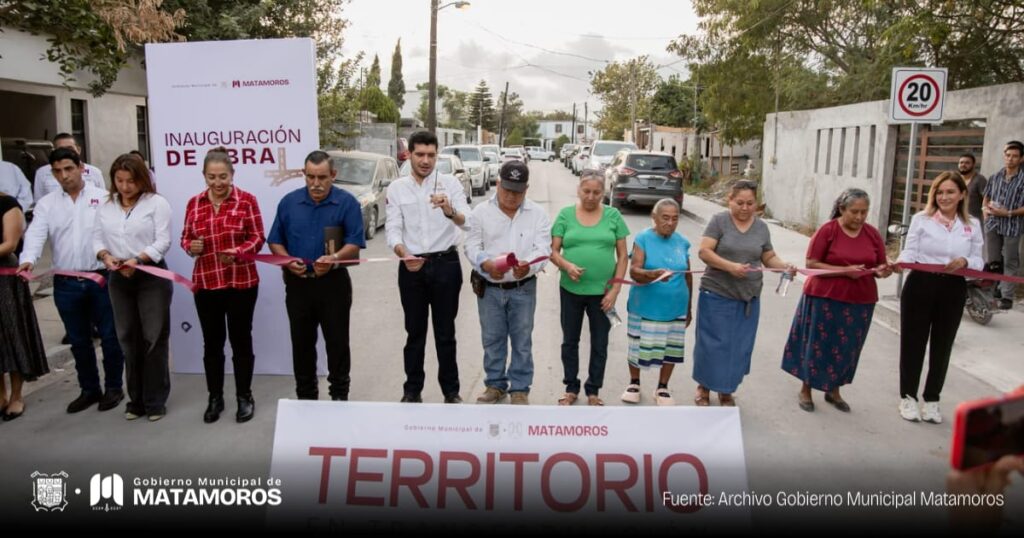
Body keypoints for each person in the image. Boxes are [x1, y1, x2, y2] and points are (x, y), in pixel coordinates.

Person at [18, 147, 125, 414]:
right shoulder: (47, 204)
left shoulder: (103, 199)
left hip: (101, 279)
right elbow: (36, 234)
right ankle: (89, 389)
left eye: (68, 169)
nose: (63, 176)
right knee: (78, 340)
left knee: (111, 338)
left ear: (81, 168)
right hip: (66, 283)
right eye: (57, 171)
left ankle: (113, 387)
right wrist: (28, 259)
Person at [781, 188, 892, 412]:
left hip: (860, 300)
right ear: (842, 209)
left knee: (848, 346)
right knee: (817, 344)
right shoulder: (828, 230)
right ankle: (806, 388)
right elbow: (812, 263)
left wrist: (884, 270)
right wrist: (845, 270)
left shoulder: (871, 234)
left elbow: (880, 264)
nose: (859, 217)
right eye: (854, 212)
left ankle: (834, 389)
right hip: (824, 297)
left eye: (864, 212)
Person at [268, 150, 365, 401]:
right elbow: (275, 241)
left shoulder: (347, 203)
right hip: (298, 285)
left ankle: (339, 397)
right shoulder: (289, 203)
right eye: (310, 177)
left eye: (322, 177)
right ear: (304, 174)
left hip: (334, 285)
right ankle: (306, 398)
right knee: (301, 345)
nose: (316, 184)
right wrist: (288, 261)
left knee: (337, 344)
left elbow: (354, 243)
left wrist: (333, 259)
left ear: (333, 175)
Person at [180, 147, 265, 423]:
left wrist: (240, 251)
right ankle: (214, 398)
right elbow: (185, 238)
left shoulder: (247, 201)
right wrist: (190, 246)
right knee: (212, 344)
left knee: (241, 341)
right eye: (211, 177)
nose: (217, 183)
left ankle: (244, 397)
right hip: (206, 283)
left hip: (241, 282)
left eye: (223, 177)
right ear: (204, 176)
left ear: (232, 175)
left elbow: (258, 237)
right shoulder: (194, 203)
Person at [385, 131, 470, 404]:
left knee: (446, 333)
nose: (425, 160)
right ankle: (412, 391)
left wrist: (448, 210)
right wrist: (404, 253)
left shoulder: (451, 185)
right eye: (419, 154)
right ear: (408, 154)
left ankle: (451, 391)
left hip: (446, 264)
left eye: (431, 155)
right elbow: (393, 229)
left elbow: (466, 221)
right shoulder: (397, 188)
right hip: (412, 267)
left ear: (437, 155)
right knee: (415, 333)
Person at [693, 180, 793, 407]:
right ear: (730, 200)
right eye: (740, 203)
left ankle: (726, 390)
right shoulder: (719, 222)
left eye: (750, 203)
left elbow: (768, 256)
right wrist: (730, 266)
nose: (745, 208)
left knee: (738, 347)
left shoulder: (761, 227)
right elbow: (704, 252)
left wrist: (783, 266)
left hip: (747, 297)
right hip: (717, 293)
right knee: (712, 344)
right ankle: (704, 387)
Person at [895, 173, 984, 423]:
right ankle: (908, 397)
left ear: (962, 195)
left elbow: (979, 260)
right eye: (939, 192)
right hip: (920, 286)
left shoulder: (973, 225)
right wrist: (900, 263)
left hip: (953, 289)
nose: (944, 197)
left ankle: (932, 400)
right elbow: (910, 250)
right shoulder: (921, 220)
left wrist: (966, 261)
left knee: (942, 347)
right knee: (913, 344)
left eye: (950, 192)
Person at [93, 153, 173, 421]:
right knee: (128, 339)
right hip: (119, 278)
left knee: (153, 338)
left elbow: (163, 241)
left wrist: (137, 259)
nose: (125, 187)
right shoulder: (106, 206)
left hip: (150, 275)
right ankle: (135, 400)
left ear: (142, 180)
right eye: (120, 180)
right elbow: (96, 238)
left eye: (131, 181)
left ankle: (155, 400)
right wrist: (106, 256)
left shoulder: (156, 203)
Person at [464, 161, 551, 405]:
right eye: (507, 190)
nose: (512, 196)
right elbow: (471, 245)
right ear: (498, 184)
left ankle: (520, 388)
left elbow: (543, 248)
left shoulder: (538, 214)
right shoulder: (480, 213)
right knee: (492, 338)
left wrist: (529, 265)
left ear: (526, 189)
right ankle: (495, 385)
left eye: (518, 192)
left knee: (522, 340)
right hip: (490, 288)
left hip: (523, 288)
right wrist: (485, 264)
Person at [549, 170, 628, 406]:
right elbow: (552, 251)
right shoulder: (565, 215)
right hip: (571, 291)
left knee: (600, 342)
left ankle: (593, 390)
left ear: (603, 193)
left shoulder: (613, 216)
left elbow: (623, 257)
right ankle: (571, 387)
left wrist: (615, 290)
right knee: (569, 341)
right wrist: (566, 265)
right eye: (587, 191)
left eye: (596, 192)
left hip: (603, 294)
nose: (591, 197)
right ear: (578, 190)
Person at [620, 199, 692, 406]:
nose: (670, 222)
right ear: (655, 217)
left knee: (671, 348)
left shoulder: (682, 242)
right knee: (637, 345)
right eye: (665, 217)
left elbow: (688, 275)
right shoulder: (643, 238)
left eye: (675, 218)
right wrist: (652, 274)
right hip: (645, 306)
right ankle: (634, 382)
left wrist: (689, 308)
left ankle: (662, 386)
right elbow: (634, 270)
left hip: (675, 306)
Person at [0, 193, 48, 421]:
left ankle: (16, 395)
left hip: (5, 282)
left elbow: (10, 244)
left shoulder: (7, 204)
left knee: (13, 335)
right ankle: (1, 395)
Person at [981, 141, 1024, 309]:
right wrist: (985, 212)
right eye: (1008, 155)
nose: (1010, 159)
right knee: (993, 260)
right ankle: (995, 289)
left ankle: (1007, 297)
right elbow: (986, 196)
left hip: (1012, 225)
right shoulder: (995, 176)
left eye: (1014, 156)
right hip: (992, 224)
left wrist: (1008, 213)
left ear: (1021, 159)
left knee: (1010, 261)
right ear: (1004, 156)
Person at [34, 133, 105, 201]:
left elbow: (103, 200)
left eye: (70, 149)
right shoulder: (42, 172)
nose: (64, 176)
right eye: (61, 149)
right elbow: (39, 201)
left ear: (79, 150)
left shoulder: (95, 172)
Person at [959, 153, 987, 223]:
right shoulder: (956, 179)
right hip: (957, 219)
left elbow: (987, 199)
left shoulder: (979, 180)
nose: (963, 165)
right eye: (961, 162)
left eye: (967, 163)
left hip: (973, 221)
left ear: (973, 165)